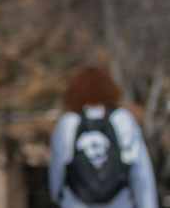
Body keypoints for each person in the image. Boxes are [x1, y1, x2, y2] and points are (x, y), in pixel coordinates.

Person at [48, 66, 158, 207]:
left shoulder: (68, 122)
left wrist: (56, 197)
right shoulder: (122, 119)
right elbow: (141, 170)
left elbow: (57, 168)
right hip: (119, 201)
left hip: (75, 202)